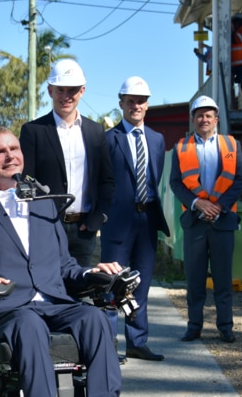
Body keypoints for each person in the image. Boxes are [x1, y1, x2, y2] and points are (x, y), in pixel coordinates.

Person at [0, 127, 122, 397]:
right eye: (0, 152)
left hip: (54, 303)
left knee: (95, 318)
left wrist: (90, 274)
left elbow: (64, 266)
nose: (10, 156)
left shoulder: (44, 204)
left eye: (14, 149)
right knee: (29, 323)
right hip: (5, 309)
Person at [100, 77, 170, 362]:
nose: (136, 105)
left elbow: (156, 178)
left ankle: (137, 341)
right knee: (112, 284)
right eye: (130, 101)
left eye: (141, 100)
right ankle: (107, 346)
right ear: (121, 104)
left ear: (147, 105)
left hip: (147, 220)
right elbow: (101, 182)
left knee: (140, 283)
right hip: (118, 222)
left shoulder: (156, 139)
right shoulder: (108, 140)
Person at [20, 59, 115, 267]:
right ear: (50, 91)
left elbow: (106, 180)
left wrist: (96, 219)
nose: (66, 96)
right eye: (60, 90)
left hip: (84, 231)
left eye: (71, 90)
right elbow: (25, 180)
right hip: (46, 228)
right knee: (48, 290)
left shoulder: (95, 131)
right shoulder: (33, 131)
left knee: (79, 290)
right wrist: (37, 222)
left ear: (82, 91)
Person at [169, 95, 242, 344]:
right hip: (195, 221)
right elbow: (175, 182)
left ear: (216, 119)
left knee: (223, 279)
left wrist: (219, 206)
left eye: (208, 115)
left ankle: (225, 327)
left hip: (222, 221)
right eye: (199, 115)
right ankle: (194, 326)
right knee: (195, 279)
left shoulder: (232, 144)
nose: (204, 119)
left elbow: (240, 181)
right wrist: (197, 203)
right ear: (193, 119)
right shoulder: (182, 147)